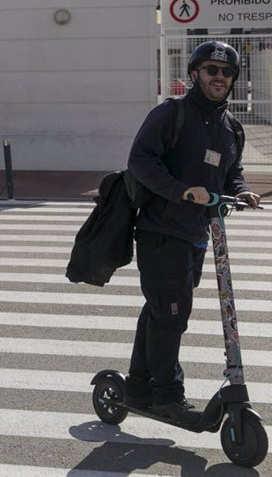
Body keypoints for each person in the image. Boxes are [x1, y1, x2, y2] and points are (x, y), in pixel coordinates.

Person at [124, 41, 261, 420]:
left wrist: (240, 189)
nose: (219, 77)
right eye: (211, 70)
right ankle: (166, 396)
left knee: (161, 311)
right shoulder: (173, 113)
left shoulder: (230, 125)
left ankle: (137, 387)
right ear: (195, 73)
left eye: (227, 72)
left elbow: (230, 170)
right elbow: (140, 160)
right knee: (171, 314)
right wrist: (181, 190)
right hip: (161, 230)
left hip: (198, 234)